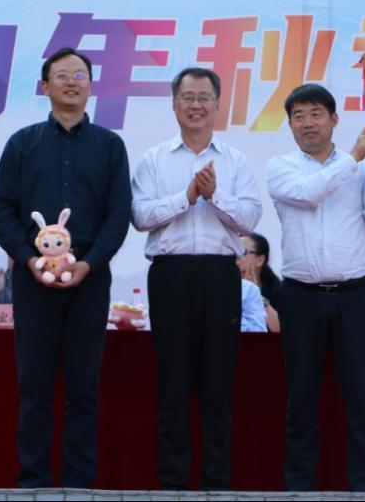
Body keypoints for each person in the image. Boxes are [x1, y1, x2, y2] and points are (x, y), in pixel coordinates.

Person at [0, 47, 132, 489]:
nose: (72, 82)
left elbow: (118, 214)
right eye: (63, 75)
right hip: (34, 281)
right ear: (45, 86)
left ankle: (79, 484)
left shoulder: (110, 146)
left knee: (84, 389)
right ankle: (32, 482)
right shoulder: (22, 143)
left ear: (91, 86)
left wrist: (89, 263)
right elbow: (1, 209)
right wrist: (30, 260)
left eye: (80, 75)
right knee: (34, 387)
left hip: (89, 279)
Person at [131, 67, 262, 491]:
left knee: (218, 386)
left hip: (219, 276)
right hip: (169, 276)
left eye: (204, 98)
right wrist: (186, 197)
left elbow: (249, 218)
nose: (195, 105)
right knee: (173, 385)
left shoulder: (235, 161)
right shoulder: (154, 159)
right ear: (174, 104)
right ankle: (172, 485)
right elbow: (140, 215)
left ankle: (216, 485)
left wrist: (214, 195)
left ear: (218, 105)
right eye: (187, 97)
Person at [266, 83, 365, 492]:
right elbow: (308, 194)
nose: (308, 123)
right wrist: (354, 159)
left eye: (316, 114)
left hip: (355, 296)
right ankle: (298, 488)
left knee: (362, 399)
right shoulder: (281, 167)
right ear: (290, 125)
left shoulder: (361, 167)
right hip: (300, 297)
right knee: (301, 400)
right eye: (299, 116)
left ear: (334, 119)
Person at [238, 232, 280, 332]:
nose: (236, 256)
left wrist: (255, 295)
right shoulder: (226, 285)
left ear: (260, 260)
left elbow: (279, 329)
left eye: (243, 252)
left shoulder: (279, 290)